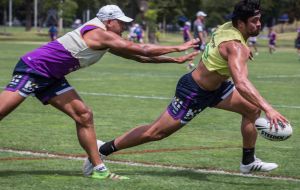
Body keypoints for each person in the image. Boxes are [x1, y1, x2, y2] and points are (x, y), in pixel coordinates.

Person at [83, 0, 289, 177]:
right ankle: (102, 149)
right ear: (240, 23)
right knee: (155, 133)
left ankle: (248, 161)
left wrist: (237, 57)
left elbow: (221, 47)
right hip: (193, 92)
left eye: (259, 19)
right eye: (254, 21)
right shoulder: (235, 46)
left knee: (252, 109)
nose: (259, 24)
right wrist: (269, 108)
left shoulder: (228, 27)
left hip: (217, 88)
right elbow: (242, 83)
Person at [0, 5, 199, 180]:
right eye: (121, 23)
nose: (124, 27)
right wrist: (177, 47)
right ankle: (98, 168)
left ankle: (99, 169)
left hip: (51, 77)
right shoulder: (99, 33)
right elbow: (143, 48)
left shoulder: (106, 38)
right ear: (109, 22)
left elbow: (139, 57)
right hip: (34, 69)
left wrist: (174, 60)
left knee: (84, 115)